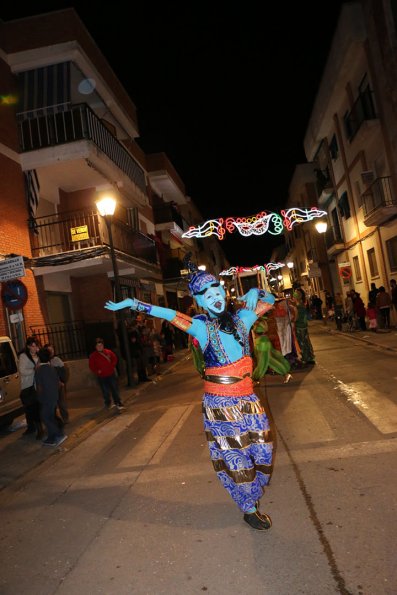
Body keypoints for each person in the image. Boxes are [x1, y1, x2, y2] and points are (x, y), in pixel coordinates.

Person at [105, 257, 276, 531]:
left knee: (262, 449)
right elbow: (169, 315)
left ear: (224, 292)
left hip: (248, 399)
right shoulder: (202, 328)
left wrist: (255, 292)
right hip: (221, 404)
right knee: (238, 458)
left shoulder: (244, 317)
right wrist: (134, 304)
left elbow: (271, 300)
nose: (215, 298)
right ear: (200, 302)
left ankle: (250, 497)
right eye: (208, 296)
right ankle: (249, 508)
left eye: (217, 292)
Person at [35, 347, 68, 447]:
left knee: (45, 417)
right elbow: (58, 383)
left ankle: (58, 434)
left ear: (39, 358)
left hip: (46, 398)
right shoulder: (52, 368)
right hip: (54, 396)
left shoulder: (39, 370)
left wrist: (40, 397)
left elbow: (39, 387)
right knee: (50, 416)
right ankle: (51, 437)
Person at [252, 317, 292, 383]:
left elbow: (260, 330)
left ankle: (255, 379)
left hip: (262, 343)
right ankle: (286, 374)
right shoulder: (260, 320)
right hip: (263, 341)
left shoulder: (260, 321)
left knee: (263, 362)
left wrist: (255, 324)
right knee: (271, 360)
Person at [88, 338, 125, 411]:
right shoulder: (93, 356)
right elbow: (91, 366)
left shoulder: (108, 352)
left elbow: (114, 358)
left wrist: (112, 365)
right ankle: (107, 402)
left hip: (111, 374)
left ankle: (118, 401)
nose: (100, 347)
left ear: (103, 345)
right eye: (98, 346)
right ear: (95, 347)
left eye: (101, 345)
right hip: (101, 376)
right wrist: (97, 371)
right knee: (105, 390)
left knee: (114, 388)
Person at [18, 337, 44, 439]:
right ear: (28, 346)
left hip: (38, 386)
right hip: (27, 387)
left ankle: (39, 429)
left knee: (36, 408)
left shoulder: (39, 355)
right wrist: (34, 369)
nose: (34, 348)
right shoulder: (23, 356)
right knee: (29, 409)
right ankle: (32, 427)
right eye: (32, 346)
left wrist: (40, 352)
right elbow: (22, 371)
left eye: (36, 346)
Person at [44, 343, 69, 424]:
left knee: (62, 403)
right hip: (50, 387)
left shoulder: (57, 360)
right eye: (49, 350)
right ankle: (55, 421)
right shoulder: (44, 361)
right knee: (52, 405)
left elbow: (64, 372)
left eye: (52, 350)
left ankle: (65, 418)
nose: (51, 352)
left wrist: (62, 381)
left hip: (59, 385)